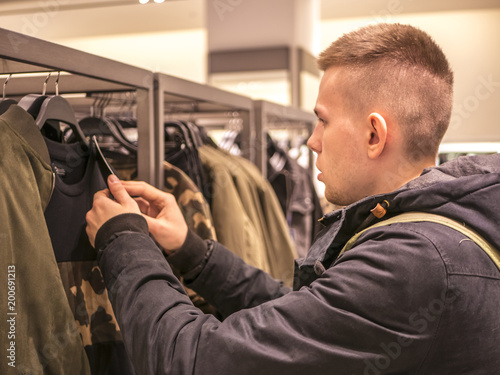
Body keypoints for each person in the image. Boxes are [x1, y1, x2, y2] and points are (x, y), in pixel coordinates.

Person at [86, 23, 500, 374]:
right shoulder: (440, 231)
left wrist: (123, 238)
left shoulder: (414, 261)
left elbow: (191, 359)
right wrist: (194, 253)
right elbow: (306, 316)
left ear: (374, 135)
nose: (312, 140)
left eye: (322, 121)